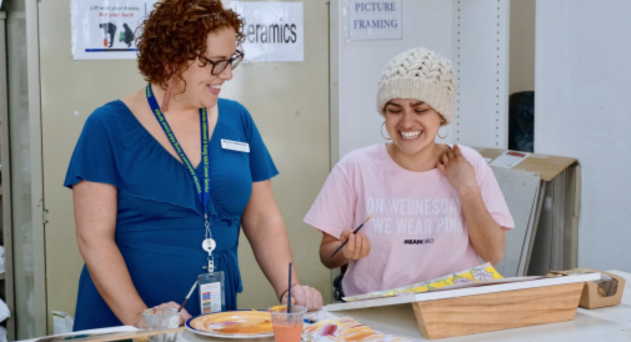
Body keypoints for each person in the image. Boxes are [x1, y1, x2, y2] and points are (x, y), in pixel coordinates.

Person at [65, 0, 321, 330]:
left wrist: (289, 289)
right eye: (216, 63)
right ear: (172, 60)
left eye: (231, 61)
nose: (227, 75)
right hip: (128, 323)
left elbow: (263, 217)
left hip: (211, 321)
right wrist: (140, 317)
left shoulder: (236, 119)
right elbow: (94, 238)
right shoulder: (107, 126)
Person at [304, 47, 515, 297]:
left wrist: (467, 188)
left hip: (452, 311)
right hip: (375, 314)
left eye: (420, 110)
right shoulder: (355, 167)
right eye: (394, 110)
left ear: (442, 115)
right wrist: (345, 251)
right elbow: (327, 255)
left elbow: (493, 255)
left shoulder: (469, 163)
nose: (406, 122)